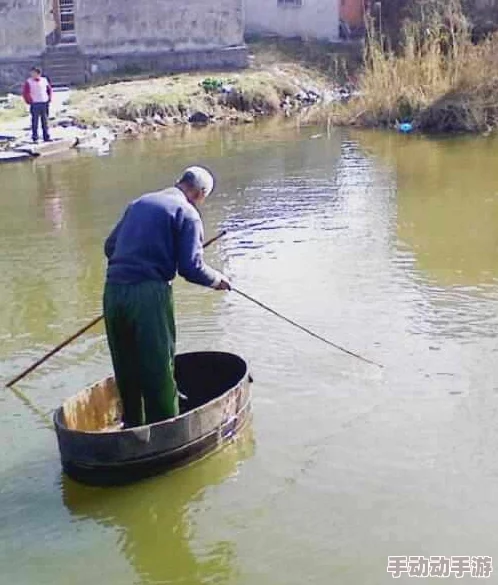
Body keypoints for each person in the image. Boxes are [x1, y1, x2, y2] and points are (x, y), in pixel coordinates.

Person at [103, 166, 230, 428]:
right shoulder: (188, 214)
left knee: (126, 365)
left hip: (113, 291)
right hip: (149, 295)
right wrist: (217, 280)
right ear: (200, 193)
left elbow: (110, 247)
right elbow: (191, 268)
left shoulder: (139, 203)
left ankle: (133, 427)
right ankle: (166, 429)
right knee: (158, 366)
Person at [22, 67, 52, 143]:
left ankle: (46, 136)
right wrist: (29, 101)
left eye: (34, 73)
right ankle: (35, 137)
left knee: (45, 121)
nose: (32, 74)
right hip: (35, 103)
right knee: (35, 121)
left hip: (44, 102)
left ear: (38, 73)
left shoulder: (44, 80)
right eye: (32, 73)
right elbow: (25, 92)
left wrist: (49, 98)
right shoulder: (28, 82)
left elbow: (49, 90)